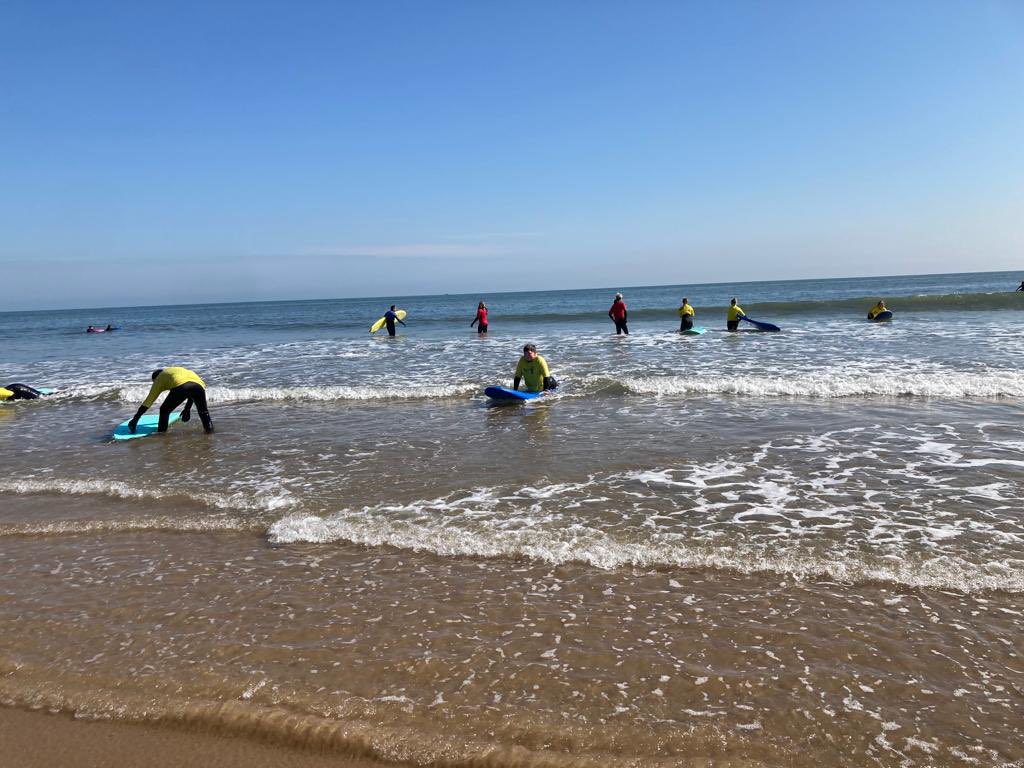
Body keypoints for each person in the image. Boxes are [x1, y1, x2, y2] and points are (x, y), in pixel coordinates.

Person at [127, 366, 213, 434]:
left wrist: (135, 420)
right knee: (203, 412)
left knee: (164, 410)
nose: (155, 384)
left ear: (155, 379)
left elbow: (148, 401)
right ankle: (210, 432)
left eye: (154, 382)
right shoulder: (175, 371)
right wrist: (187, 409)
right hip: (199, 386)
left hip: (182, 386)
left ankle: (162, 434)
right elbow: (191, 390)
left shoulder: (160, 378)